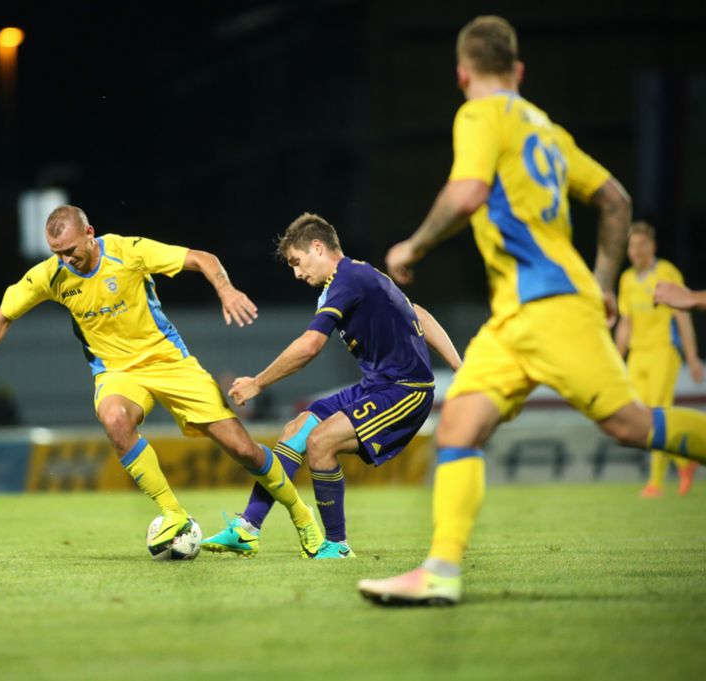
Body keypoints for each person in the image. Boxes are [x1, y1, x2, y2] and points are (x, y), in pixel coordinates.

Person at [360, 16, 706, 606]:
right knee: (458, 426)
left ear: (462, 74)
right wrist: (603, 282)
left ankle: (441, 568)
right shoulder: (547, 130)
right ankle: (440, 570)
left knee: (629, 425)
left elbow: (468, 192)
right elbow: (615, 201)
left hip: (548, 307)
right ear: (518, 70)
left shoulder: (478, 114)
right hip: (517, 317)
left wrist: (412, 246)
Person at [0, 205, 327, 556]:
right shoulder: (50, 276)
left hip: (169, 362)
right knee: (113, 418)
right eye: (57, 253)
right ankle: (174, 514)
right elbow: (2, 316)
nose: (65, 259)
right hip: (117, 372)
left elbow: (202, 258)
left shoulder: (128, 251)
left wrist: (226, 290)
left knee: (243, 449)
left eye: (70, 250)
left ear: (89, 233)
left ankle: (301, 514)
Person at [202, 213, 461, 559]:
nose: (296, 274)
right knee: (295, 430)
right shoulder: (356, 277)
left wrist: (257, 383)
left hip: (405, 389)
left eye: (297, 262)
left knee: (320, 441)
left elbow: (310, 346)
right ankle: (247, 528)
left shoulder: (348, 279)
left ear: (318, 247)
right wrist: (459, 366)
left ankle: (337, 546)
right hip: (375, 385)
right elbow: (418, 313)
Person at [615, 222, 702, 497]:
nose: (637, 251)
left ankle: (655, 483)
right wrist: (616, 358)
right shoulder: (626, 280)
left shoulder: (666, 273)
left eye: (642, 244)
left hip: (663, 351)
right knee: (636, 419)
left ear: (652, 246)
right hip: (638, 355)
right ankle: (684, 462)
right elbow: (625, 323)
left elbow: (683, 315)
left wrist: (692, 356)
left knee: (656, 414)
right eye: (632, 245)